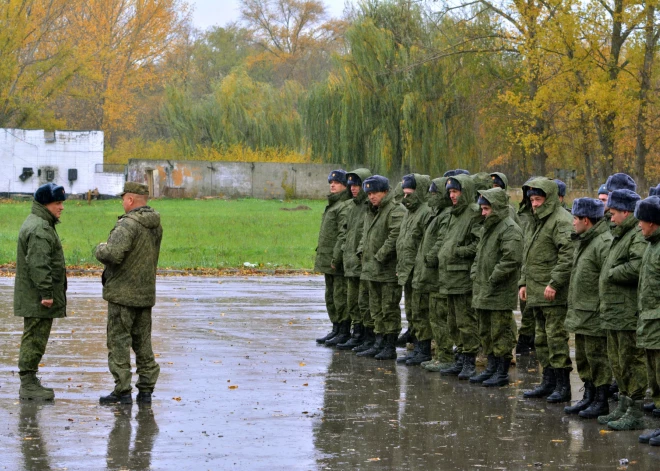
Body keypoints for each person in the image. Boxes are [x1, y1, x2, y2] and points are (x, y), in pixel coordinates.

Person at [95, 182, 163, 405]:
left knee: (119, 343)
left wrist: (99, 248)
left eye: (123, 198)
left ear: (131, 200)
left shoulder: (128, 224)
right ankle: (146, 391)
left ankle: (122, 390)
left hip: (123, 295)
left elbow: (113, 254)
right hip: (144, 294)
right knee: (143, 343)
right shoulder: (155, 224)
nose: (122, 202)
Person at [597, 189, 648, 430]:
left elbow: (638, 265)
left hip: (627, 312)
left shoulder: (636, 234)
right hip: (614, 311)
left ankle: (635, 410)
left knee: (631, 361)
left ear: (627, 213)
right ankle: (623, 404)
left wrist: (611, 273)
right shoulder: (621, 234)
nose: (611, 217)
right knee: (617, 362)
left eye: (614, 213)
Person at [520, 177, 575, 404]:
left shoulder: (561, 220)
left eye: (538, 199)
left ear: (550, 198)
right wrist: (523, 283)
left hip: (553, 294)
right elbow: (529, 254)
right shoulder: (537, 220)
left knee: (556, 338)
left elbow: (567, 256)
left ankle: (563, 387)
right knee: (541, 339)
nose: (534, 203)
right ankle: (548, 381)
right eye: (532, 199)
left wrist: (554, 283)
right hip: (536, 291)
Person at [14, 183, 68, 401]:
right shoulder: (40, 229)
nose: (61, 207)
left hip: (34, 296)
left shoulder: (40, 223)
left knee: (35, 337)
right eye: (58, 203)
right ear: (46, 204)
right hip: (38, 298)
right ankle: (28, 384)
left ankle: (30, 380)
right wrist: (46, 293)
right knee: (35, 338)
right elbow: (38, 264)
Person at [563, 198, 612, 418]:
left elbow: (607, 282)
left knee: (597, 359)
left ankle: (600, 400)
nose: (572, 223)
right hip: (582, 312)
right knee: (583, 359)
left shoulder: (603, 242)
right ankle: (589, 396)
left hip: (594, 314)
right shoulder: (585, 240)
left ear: (586, 220)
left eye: (575, 218)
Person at [470, 188, 522, 387]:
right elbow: (479, 255)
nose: (483, 213)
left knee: (500, 332)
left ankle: (501, 371)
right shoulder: (488, 228)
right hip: (483, 288)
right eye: (482, 208)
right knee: (485, 331)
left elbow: (511, 259)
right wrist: (476, 274)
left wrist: (492, 279)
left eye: (486, 209)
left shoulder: (509, 229)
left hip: (499, 291)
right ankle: (491, 367)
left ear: (497, 208)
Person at [435, 174, 483, 379]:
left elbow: (479, 243)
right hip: (448, 276)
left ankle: (469, 361)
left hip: (462, 277)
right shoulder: (453, 214)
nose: (452, 195)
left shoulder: (473, 213)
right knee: (453, 321)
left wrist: (459, 251)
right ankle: (461, 357)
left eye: (455, 191)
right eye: (450, 192)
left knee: (465, 321)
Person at [356, 175, 405, 360]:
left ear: (385, 192)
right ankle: (379, 341)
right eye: (368, 193)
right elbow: (366, 234)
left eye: (375, 193)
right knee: (375, 308)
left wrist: (380, 255)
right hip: (371, 269)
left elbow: (395, 235)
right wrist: (361, 251)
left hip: (386, 270)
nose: (371, 197)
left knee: (389, 308)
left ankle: (389, 345)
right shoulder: (372, 211)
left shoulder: (394, 210)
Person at [395, 174, 433, 363]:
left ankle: (424, 349)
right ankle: (417, 346)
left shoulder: (426, 212)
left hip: (419, 271)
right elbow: (404, 242)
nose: (406, 198)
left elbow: (425, 245)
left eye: (410, 194)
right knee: (411, 310)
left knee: (421, 311)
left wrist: (421, 269)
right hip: (408, 270)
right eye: (404, 194)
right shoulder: (410, 212)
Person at [421, 177, 456, 372]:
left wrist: (430, 257)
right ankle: (441, 356)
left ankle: (446, 356)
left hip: (440, 276)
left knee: (441, 317)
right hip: (433, 275)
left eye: (435, 194)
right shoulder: (438, 214)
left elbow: (441, 240)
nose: (432, 197)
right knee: (435, 317)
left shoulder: (446, 215)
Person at [314, 170, 352, 345]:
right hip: (328, 259)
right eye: (331, 182)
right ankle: (336, 328)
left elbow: (342, 235)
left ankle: (343, 330)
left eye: (337, 182)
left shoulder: (344, 206)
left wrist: (336, 257)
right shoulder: (333, 205)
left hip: (336, 261)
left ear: (345, 185)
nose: (332, 184)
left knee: (340, 295)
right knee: (330, 296)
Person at [337, 168, 373, 351]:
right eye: (351, 185)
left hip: (362, 263)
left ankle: (365, 336)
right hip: (350, 262)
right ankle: (356, 333)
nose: (353, 188)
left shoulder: (369, 207)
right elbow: (346, 232)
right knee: (352, 301)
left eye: (357, 185)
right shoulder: (351, 207)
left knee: (364, 302)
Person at [634, 196, 660, 444]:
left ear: (652, 221)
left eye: (642, 220)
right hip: (650, 323)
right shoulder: (652, 245)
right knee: (656, 380)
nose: (639, 225)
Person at [515, 177, 538, 355]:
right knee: (526, 308)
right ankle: (527, 338)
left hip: (540, 273)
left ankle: (528, 338)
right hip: (525, 268)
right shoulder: (521, 216)